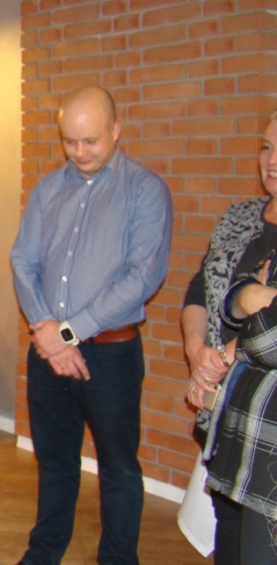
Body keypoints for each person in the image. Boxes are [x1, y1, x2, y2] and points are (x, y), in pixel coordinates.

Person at [10, 86, 173, 565]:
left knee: (118, 470)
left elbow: (142, 277)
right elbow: (23, 262)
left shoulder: (145, 190)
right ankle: (43, 554)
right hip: (47, 353)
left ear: (116, 130)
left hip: (111, 356)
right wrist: (48, 332)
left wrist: (67, 333)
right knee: (54, 463)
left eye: (90, 141)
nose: (79, 152)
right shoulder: (48, 190)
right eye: (70, 141)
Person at [183, 110, 277, 563]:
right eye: (266, 147)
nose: (271, 160)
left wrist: (219, 359)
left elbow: (270, 326)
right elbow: (200, 289)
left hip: (265, 423)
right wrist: (196, 352)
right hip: (224, 411)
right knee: (229, 534)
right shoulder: (240, 216)